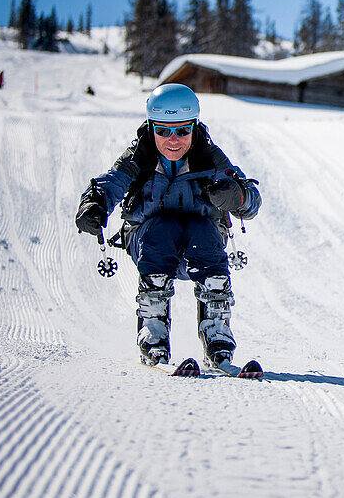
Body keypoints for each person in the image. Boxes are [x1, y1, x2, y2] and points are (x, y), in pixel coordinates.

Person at [74, 83, 261, 367]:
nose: (173, 140)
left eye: (182, 131)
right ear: (151, 128)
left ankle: (217, 331)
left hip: (199, 249)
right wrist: (93, 205)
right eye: (163, 131)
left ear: (194, 127)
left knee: (203, 229)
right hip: (150, 244)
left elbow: (251, 200)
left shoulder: (208, 157)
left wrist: (236, 195)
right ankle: (153, 332)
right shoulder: (140, 157)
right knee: (163, 227)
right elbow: (110, 183)